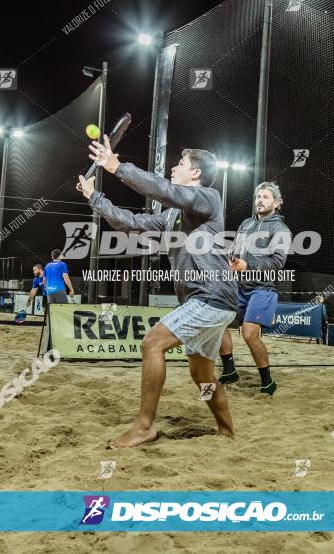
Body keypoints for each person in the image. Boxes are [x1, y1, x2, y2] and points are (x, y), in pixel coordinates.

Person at [76, 136, 237, 448]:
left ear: (197, 174)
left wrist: (117, 167)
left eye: (180, 165)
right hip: (211, 300)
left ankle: (144, 426)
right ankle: (227, 431)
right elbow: (131, 224)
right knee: (201, 373)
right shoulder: (171, 216)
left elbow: (164, 190)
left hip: (211, 295)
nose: (173, 169)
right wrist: (95, 196)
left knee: (152, 343)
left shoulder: (209, 198)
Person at [218, 182, 291, 395]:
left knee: (249, 334)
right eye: (258, 196)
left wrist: (248, 266)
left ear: (277, 203)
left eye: (266, 197)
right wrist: (229, 261)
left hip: (263, 288)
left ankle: (267, 382)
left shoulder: (280, 229)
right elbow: (235, 251)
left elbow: (277, 263)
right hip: (238, 286)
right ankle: (230, 370)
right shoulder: (246, 224)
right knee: (218, 320)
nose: (260, 200)